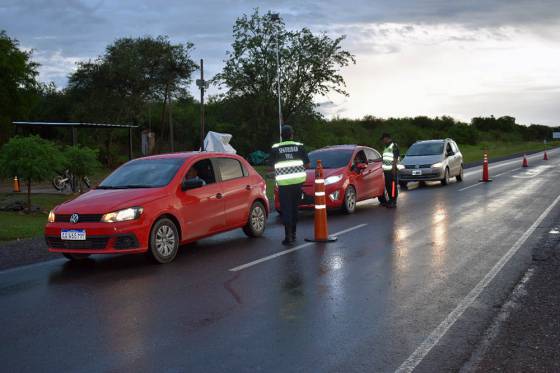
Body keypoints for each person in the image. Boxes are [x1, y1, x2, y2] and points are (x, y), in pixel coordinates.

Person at [270, 125, 310, 245]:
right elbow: (307, 165)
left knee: (286, 209)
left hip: (283, 185)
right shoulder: (299, 147)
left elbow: (270, 166)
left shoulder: (276, 148)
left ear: (282, 136)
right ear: (292, 135)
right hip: (297, 184)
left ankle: (288, 237)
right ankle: (294, 233)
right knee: (294, 209)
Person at [378, 133, 400, 208]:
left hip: (392, 170)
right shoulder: (386, 147)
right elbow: (383, 157)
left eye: (383, 139)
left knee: (393, 186)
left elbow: (395, 158)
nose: (382, 141)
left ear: (386, 138)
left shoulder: (394, 146)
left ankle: (394, 201)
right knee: (388, 186)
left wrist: (393, 169)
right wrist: (373, 160)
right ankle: (390, 200)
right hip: (386, 171)